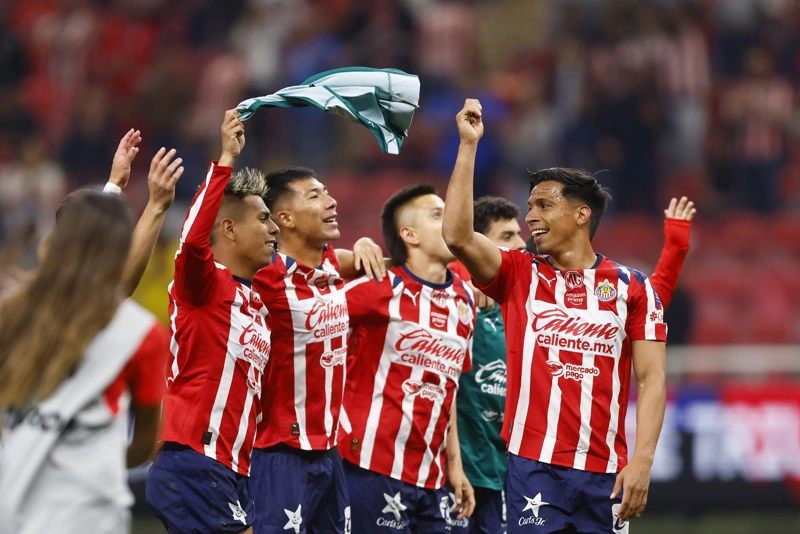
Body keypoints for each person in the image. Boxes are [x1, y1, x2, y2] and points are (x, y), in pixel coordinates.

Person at [442, 99, 667, 533]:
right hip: (533, 468)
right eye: (530, 207)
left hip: (606, 471)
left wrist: (642, 461)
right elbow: (456, 235)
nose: (530, 218)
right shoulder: (517, 273)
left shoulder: (633, 287)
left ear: (582, 214)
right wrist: (468, 146)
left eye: (544, 206)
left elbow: (651, 378)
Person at [450, 195, 696, 534]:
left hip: (524, 469)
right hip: (478, 470)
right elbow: (441, 253)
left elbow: (645, 304)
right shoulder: (464, 303)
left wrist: (675, 249)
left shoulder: (597, 291)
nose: (521, 241)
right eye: (507, 237)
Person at [0, 190, 170, 534]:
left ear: (56, 244)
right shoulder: (142, 333)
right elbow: (146, 443)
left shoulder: (11, 313)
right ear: (118, 250)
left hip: (13, 504)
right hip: (90, 513)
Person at [146, 110, 279, 534]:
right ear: (230, 229)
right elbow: (191, 240)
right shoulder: (203, 286)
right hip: (193, 461)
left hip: (234, 469)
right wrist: (225, 160)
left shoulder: (256, 303)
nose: (274, 228)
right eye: (263, 218)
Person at [250, 166, 385, 533]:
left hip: (329, 450)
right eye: (315, 196)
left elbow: (370, 266)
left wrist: (363, 246)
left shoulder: (328, 264)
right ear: (284, 219)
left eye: (327, 191)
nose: (331, 201)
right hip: (278, 451)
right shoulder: (264, 273)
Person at [340, 184, 477, 533]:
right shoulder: (377, 287)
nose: (450, 220)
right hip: (369, 466)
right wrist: (356, 251)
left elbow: (450, 391)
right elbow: (303, 322)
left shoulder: (465, 301)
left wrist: (455, 466)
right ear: (409, 234)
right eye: (437, 215)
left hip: (433, 477)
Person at [448, 196, 527, 534]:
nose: (522, 243)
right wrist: (467, 281)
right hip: (451, 472)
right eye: (507, 236)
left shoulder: (524, 303)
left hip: (500, 473)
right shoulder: (452, 296)